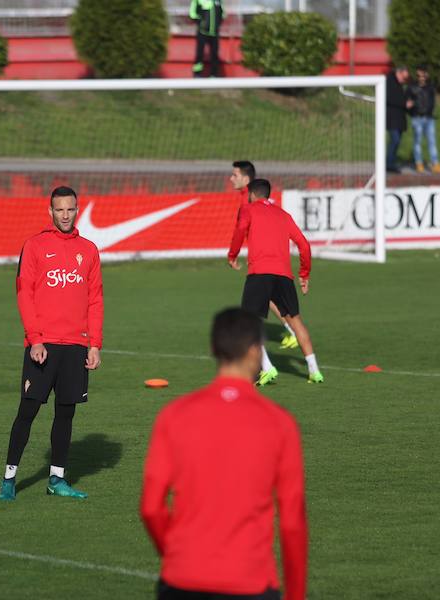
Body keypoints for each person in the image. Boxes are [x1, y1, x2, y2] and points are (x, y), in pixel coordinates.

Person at [140, 307, 308, 600]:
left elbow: (151, 508)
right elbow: (292, 523)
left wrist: (178, 556)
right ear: (256, 351)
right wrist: (295, 594)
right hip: (250, 581)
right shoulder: (279, 423)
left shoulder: (174, 416)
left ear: (213, 350)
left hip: (182, 580)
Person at [0, 186, 103, 502]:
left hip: (76, 346)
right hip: (42, 346)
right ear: (50, 211)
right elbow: (24, 294)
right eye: (60, 210)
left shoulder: (89, 249)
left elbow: (95, 299)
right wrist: (34, 339)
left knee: (66, 413)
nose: (65, 215)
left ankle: (57, 479)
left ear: (77, 209)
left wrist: (94, 344)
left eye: (70, 209)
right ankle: (8, 479)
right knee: (27, 411)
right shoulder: (34, 246)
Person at [227, 179, 323, 385]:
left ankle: (268, 367)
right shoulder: (283, 215)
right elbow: (304, 245)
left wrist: (232, 255)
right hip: (284, 277)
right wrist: (304, 274)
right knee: (296, 321)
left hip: (259, 274)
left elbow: (240, 229)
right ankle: (314, 371)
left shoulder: (248, 209)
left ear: (252, 194)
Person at [230, 161, 298, 350]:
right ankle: (292, 330)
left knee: (262, 295)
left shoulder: (249, 201)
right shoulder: (255, 198)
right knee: (266, 295)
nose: (231, 178)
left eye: (234, 175)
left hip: (265, 258)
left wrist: (233, 255)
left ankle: (292, 331)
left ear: (246, 179)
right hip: (272, 256)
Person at [408, 65, 440, 174]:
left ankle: (435, 164)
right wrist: (412, 111)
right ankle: (419, 163)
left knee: (432, 141)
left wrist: (430, 112)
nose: (421, 77)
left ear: (426, 75)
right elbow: (407, 102)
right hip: (417, 117)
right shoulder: (411, 87)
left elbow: (432, 102)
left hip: (429, 118)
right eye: (419, 75)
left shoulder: (430, 87)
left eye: (423, 75)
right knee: (417, 141)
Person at [386, 65, 413, 174]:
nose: (404, 80)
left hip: (399, 119)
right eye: (403, 77)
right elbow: (390, 98)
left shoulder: (398, 84)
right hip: (391, 118)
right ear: (399, 73)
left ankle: (390, 162)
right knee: (395, 140)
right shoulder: (389, 82)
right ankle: (389, 164)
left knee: (396, 142)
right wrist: (404, 103)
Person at [190, 0, 223, 78]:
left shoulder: (218, 1)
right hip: (202, 32)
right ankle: (197, 74)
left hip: (214, 33)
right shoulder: (198, 1)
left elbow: (222, 14)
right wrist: (201, 23)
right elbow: (192, 14)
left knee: (214, 54)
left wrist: (217, 24)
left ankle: (214, 75)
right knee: (200, 53)